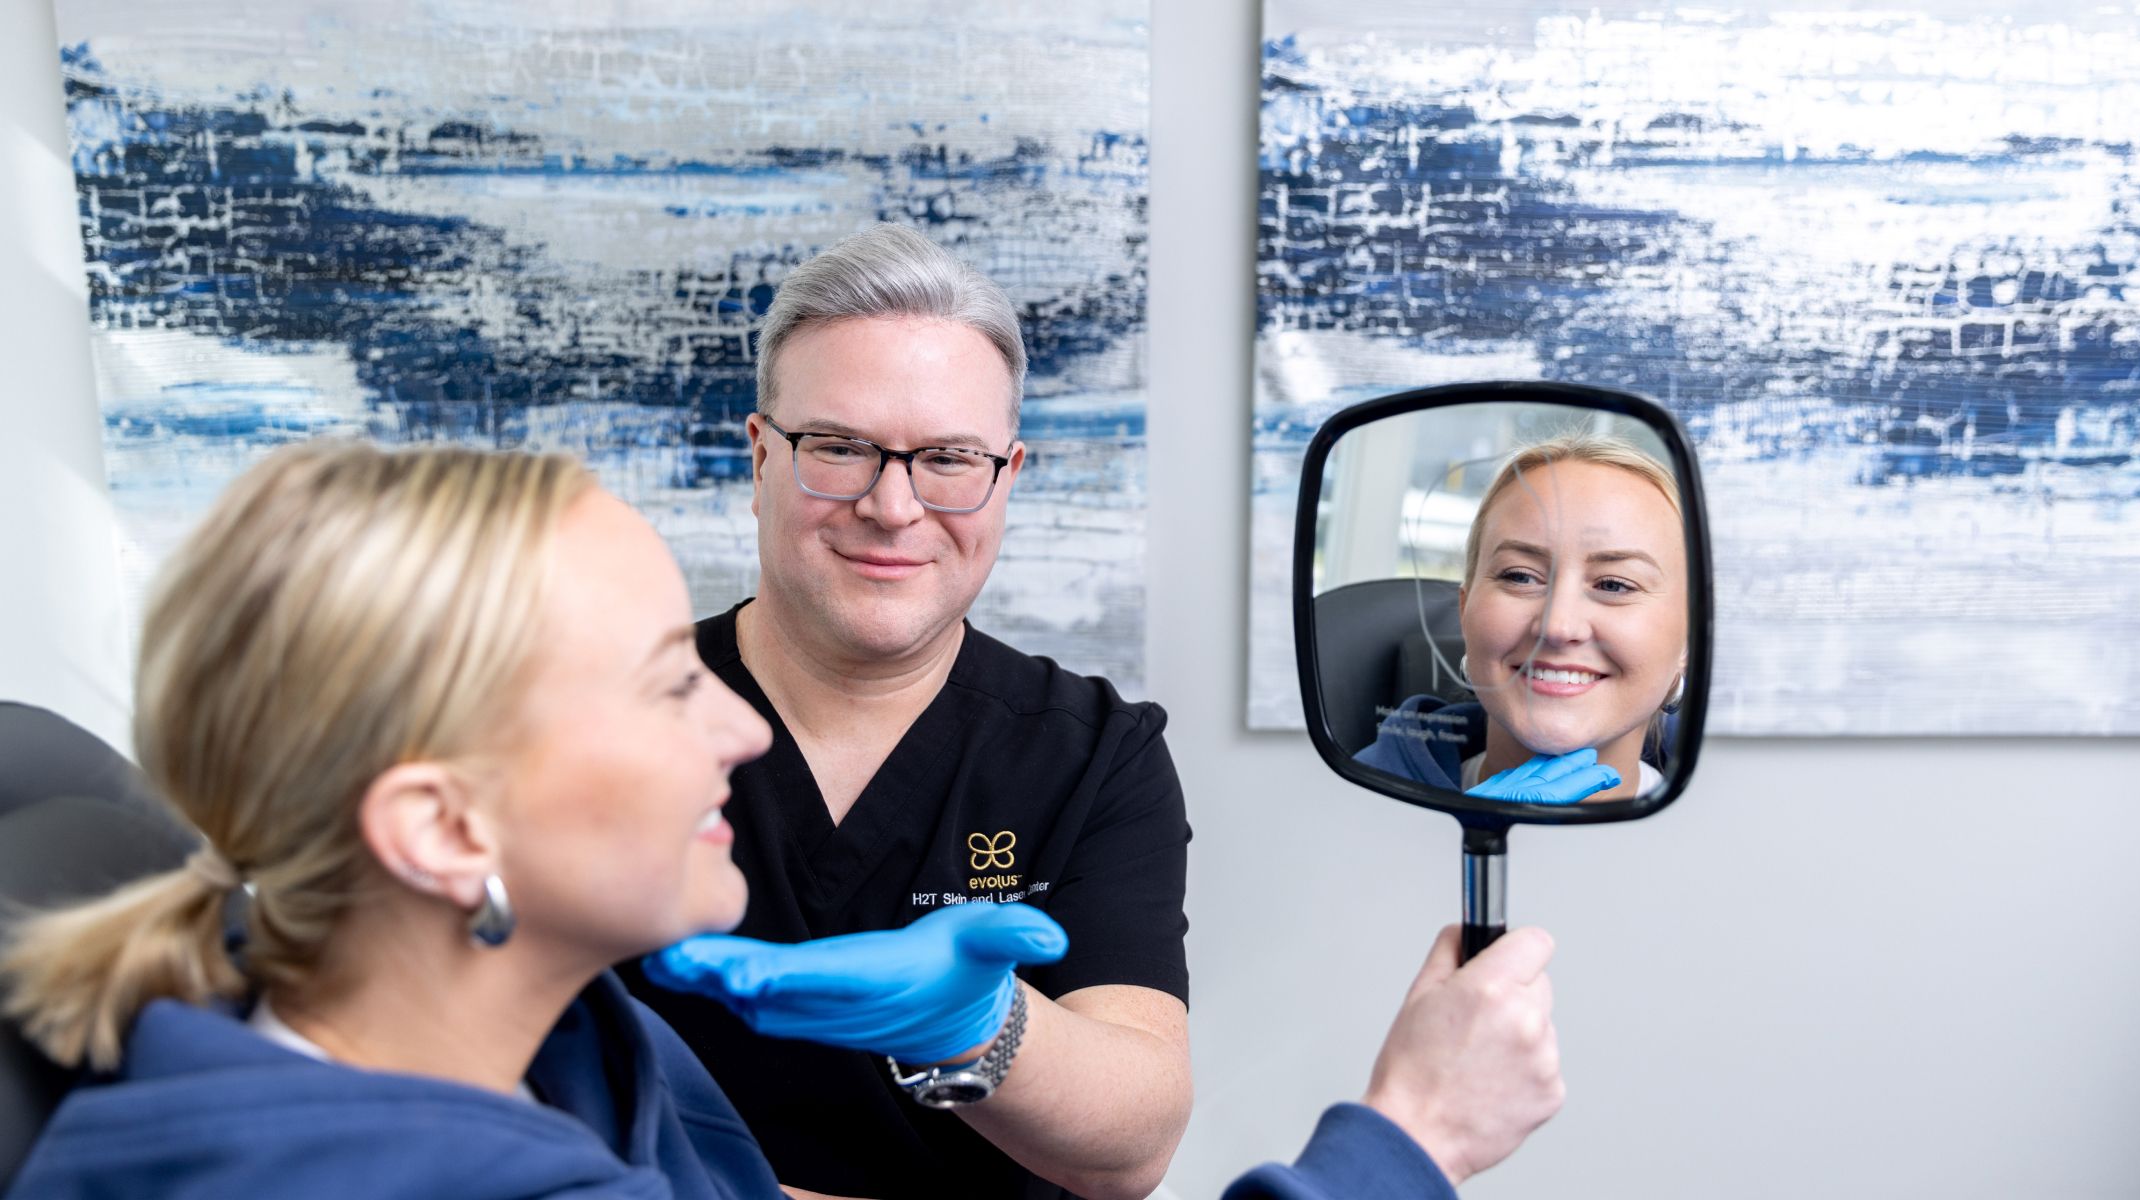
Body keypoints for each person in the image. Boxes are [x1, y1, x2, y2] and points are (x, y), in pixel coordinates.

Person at [0, 441, 1565, 1200]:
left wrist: (988, 1037)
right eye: (661, 686)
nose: (739, 724)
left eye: (954, 459)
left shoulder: (566, 1047)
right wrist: (1410, 1141)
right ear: (442, 829)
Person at [619, 224, 1193, 1200]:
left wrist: (976, 1029)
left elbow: (1132, 1147)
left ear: (1007, 477)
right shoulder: (608, 714)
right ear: (759, 458)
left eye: (948, 459)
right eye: (839, 448)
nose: (893, 506)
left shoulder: (1096, 754)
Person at [1356, 433, 1690, 804]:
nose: (1557, 626)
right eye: (1520, 576)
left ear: (1690, 639)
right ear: (1465, 611)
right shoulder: (1346, 812)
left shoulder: (1741, 835)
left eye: (1614, 584)